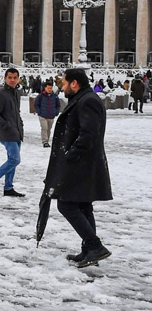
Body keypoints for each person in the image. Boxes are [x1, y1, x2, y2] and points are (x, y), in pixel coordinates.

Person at [45, 68, 113, 267]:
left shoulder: (88, 101)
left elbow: (88, 134)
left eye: (65, 84)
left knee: (66, 204)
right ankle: (89, 250)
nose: (62, 87)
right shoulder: (84, 98)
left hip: (82, 165)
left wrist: (70, 156)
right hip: (84, 164)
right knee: (83, 205)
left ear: (75, 83)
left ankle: (95, 246)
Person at [0, 68, 25, 197]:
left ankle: (8, 187)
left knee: (12, 160)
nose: (12, 80)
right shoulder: (1, 94)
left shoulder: (16, 92)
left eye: (15, 77)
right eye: (10, 77)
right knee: (14, 159)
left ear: (18, 78)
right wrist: (7, 125)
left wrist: (19, 124)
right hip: (7, 132)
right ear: (5, 78)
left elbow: (16, 112)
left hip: (17, 130)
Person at [34, 82, 61, 148]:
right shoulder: (40, 96)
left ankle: (47, 141)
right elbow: (36, 104)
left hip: (51, 115)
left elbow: (58, 105)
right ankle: (45, 141)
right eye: (48, 88)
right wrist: (39, 111)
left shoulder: (55, 96)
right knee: (44, 128)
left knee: (48, 129)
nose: (49, 89)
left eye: (50, 88)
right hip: (42, 115)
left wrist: (56, 112)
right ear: (45, 88)